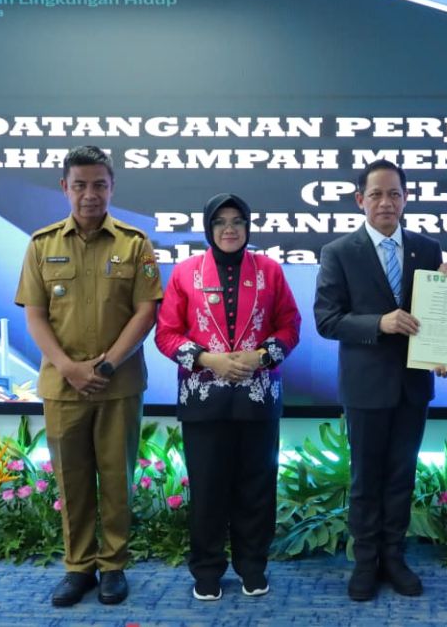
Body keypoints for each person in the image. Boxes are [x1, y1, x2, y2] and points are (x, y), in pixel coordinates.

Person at [15, 145, 163, 607]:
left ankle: (113, 566)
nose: (89, 194)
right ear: (65, 187)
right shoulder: (42, 245)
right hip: (63, 386)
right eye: (79, 185)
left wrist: (106, 365)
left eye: (99, 184)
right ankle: (78, 567)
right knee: (72, 480)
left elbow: (146, 312)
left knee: (117, 479)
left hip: (118, 384)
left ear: (112, 187)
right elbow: (35, 315)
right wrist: (68, 367)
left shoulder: (134, 243)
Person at [154, 193, 300, 601]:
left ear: (248, 227)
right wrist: (208, 360)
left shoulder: (269, 270)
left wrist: (261, 356)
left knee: (257, 488)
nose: (229, 229)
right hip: (204, 401)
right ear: (209, 228)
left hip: (258, 397)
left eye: (237, 221)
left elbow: (290, 325)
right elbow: (166, 333)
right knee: (208, 489)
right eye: (220, 222)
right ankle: (207, 569)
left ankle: (253, 566)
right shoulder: (185, 272)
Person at [314, 160, 443, 601]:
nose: (386, 202)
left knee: (402, 475)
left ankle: (394, 557)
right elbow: (327, 320)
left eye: (394, 194)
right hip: (365, 386)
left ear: (406, 199)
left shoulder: (427, 249)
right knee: (366, 479)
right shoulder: (339, 252)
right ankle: (365, 560)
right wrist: (379, 323)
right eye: (376, 195)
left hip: (413, 385)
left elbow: (439, 314)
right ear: (360, 200)